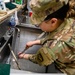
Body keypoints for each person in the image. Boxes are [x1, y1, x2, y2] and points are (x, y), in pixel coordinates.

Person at [18, 0, 75, 75]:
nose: (38, 26)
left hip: (67, 70)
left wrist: (24, 56)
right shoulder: (68, 19)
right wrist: (35, 42)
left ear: (53, 21)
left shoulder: (51, 48)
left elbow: (40, 59)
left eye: (38, 24)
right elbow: (57, 37)